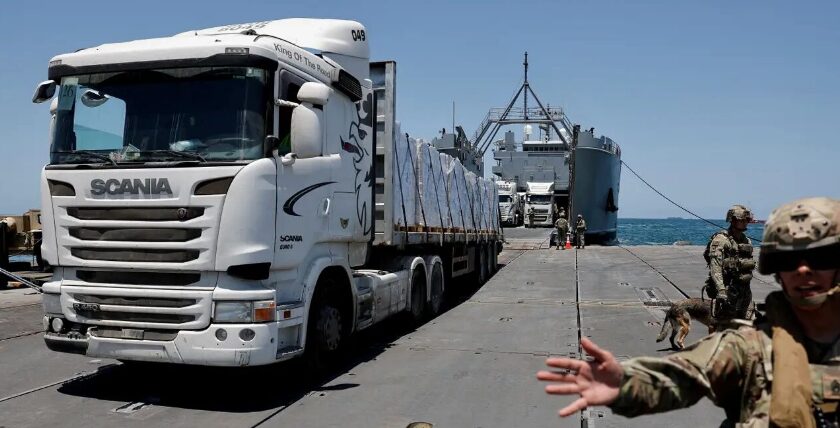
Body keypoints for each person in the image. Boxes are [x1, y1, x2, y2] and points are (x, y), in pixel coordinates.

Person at [537, 197, 840, 427]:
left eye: (820, 258)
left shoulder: (745, 241)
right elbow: (683, 375)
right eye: (790, 261)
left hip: (741, 293)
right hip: (728, 295)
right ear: (777, 270)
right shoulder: (749, 348)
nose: (804, 270)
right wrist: (626, 385)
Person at [703, 204, 755, 324]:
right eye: (742, 220)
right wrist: (721, 290)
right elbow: (715, 266)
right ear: (733, 220)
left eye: (747, 220)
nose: (745, 223)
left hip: (744, 291)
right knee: (723, 326)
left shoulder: (746, 241)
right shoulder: (721, 240)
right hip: (728, 290)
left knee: (742, 325)